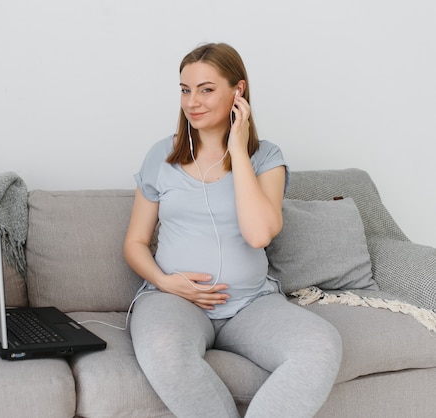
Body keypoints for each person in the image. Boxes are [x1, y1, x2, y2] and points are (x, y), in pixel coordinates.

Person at [123, 42, 342, 418]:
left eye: (206, 89)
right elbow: (135, 242)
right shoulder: (161, 154)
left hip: (251, 304)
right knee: (162, 348)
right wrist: (164, 281)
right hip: (175, 299)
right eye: (185, 90)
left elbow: (259, 235)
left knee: (321, 344)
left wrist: (239, 151)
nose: (192, 102)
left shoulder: (266, 157)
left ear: (237, 91)